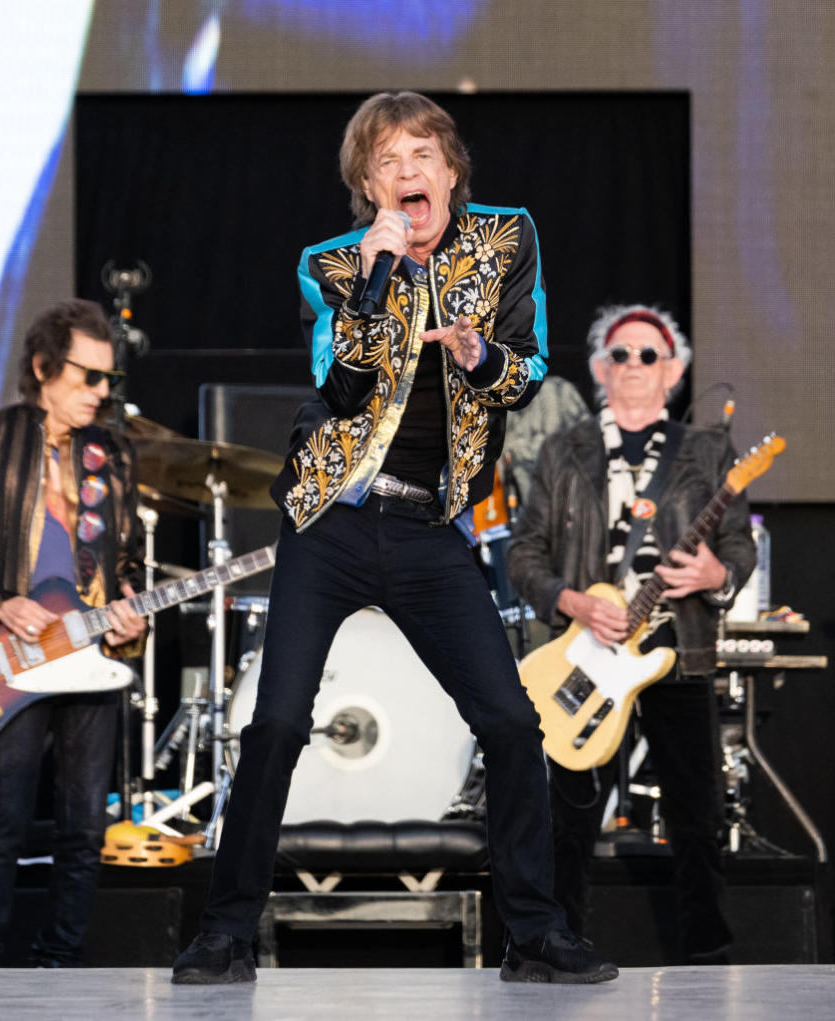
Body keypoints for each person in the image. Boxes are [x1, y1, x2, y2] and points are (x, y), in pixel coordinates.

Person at [172, 91, 617, 985]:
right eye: (385, 162)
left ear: (451, 170)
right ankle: (224, 933)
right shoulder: (332, 262)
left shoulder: (507, 239)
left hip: (428, 525)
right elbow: (338, 390)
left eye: (421, 155)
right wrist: (376, 284)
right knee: (276, 725)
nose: (406, 173)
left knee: (508, 720)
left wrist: (475, 356)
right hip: (331, 517)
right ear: (364, 187)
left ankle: (534, 933)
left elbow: (527, 370)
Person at [507, 304, 756, 964]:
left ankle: (707, 951)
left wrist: (713, 572)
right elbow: (523, 554)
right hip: (586, 654)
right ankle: (556, 944)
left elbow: (738, 547)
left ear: (673, 372)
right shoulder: (566, 450)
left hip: (676, 651)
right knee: (571, 817)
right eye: (620, 354)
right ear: (598, 369)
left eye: (650, 355)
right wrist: (574, 601)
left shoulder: (707, 451)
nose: (634, 366)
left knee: (695, 814)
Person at [0, 299, 147, 967]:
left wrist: (129, 604)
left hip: (91, 655)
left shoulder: (114, 455)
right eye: (88, 377)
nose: (102, 392)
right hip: (13, 655)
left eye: (110, 379)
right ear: (44, 367)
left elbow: (126, 558)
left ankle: (61, 964)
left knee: (85, 826)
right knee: (6, 816)